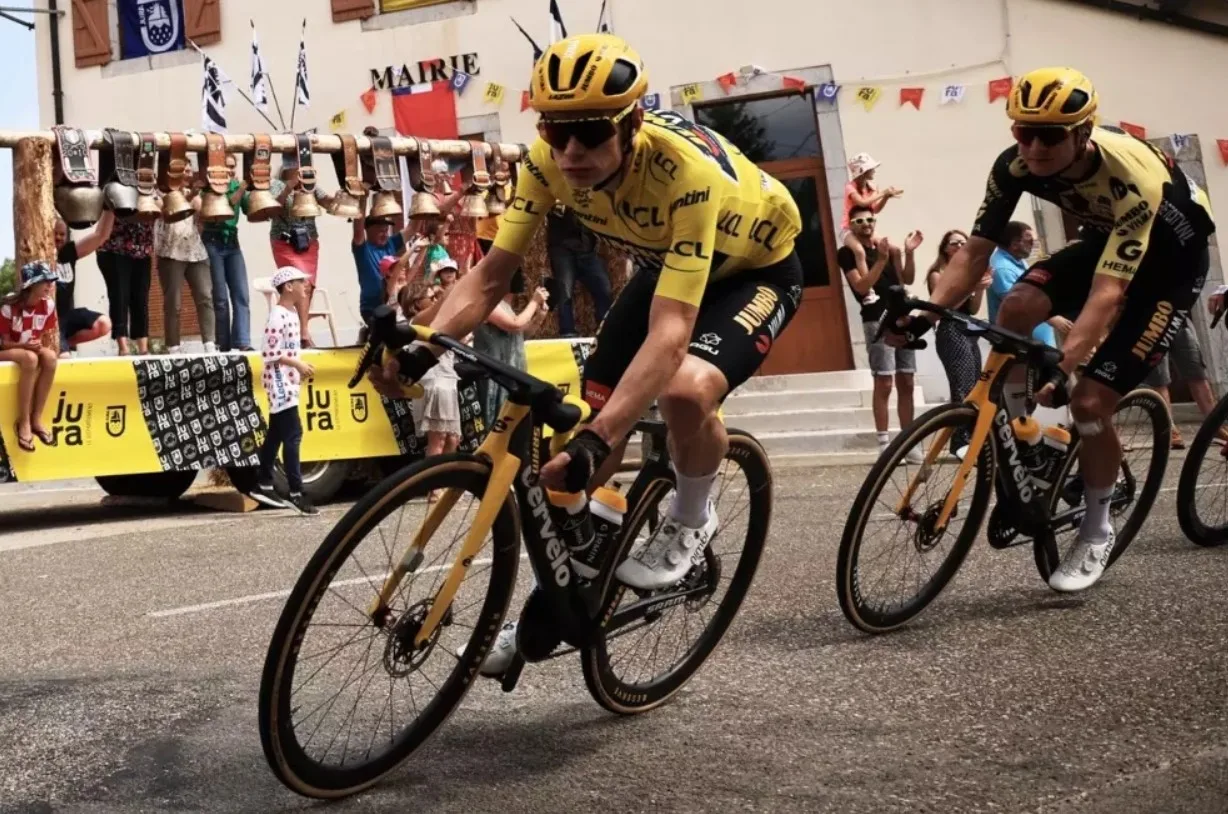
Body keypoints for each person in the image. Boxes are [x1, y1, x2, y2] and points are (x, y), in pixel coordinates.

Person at [370, 33, 804, 674]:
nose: (571, 151)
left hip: (755, 273)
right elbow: (490, 276)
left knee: (684, 390)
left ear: (631, 123)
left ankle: (691, 516)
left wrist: (603, 440)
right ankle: (564, 594)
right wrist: (419, 347)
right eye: (555, 130)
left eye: (592, 132)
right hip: (666, 266)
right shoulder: (545, 164)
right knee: (577, 438)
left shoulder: (687, 175)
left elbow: (671, 333)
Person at [892, 67, 1215, 593]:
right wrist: (923, 314)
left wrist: (1065, 366)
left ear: (1083, 133)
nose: (1034, 147)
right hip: (1106, 241)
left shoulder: (1132, 177)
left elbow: (1108, 293)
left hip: (1170, 269)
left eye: (1050, 135)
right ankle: (1026, 434)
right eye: (1024, 132)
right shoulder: (1014, 164)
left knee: (1088, 403)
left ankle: (1097, 529)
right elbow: (974, 252)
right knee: (1018, 305)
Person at [837, 204, 924, 460]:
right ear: (851, 226)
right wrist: (882, 260)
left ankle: (908, 442)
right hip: (876, 319)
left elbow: (906, 280)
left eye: (869, 219)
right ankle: (884, 443)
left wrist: (909, 253)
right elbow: (862, 287)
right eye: (859, 221)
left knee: (906, 380)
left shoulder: (887, 248)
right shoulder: (848, 253)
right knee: (884, 381)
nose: (866, 224)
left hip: (902, 317)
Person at [249, 267, 318, 516]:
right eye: (301, 282)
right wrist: (297, 364)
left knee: (277, 434)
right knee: (293, 433)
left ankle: (263, 482)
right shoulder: (277, 316)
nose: (305, 285)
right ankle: (296, 492)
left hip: (287, 380)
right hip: (279, 381)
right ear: (288, 286)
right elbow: (269, 352)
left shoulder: (291, 313)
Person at [926, 229, 986, 459]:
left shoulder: (969, 273)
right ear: (945, 248)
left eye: (963, 242)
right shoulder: (938, 274)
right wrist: (972, 287)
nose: (960, 246)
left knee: (975, 384)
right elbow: (946, 306)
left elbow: (972, 309)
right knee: (962, 385)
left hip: (969, 329)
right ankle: (960, 441)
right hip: (951, 329)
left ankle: (973, 437)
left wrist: (980, 290)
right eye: (954, 243)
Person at [472, 268, 550, 429]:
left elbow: (520, 336)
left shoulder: (508, 307)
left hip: (514, 373)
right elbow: (514, 325)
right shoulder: (487, 303)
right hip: (494, 375)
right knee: (494, 423)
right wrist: (533, 302)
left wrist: (538, 317)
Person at [1, 262, 62, 452]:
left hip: (26, 347)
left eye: (50, 281)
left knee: (50, 357)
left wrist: (32, 345)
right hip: (7, 349)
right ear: (31, 284)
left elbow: (40, 335)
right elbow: (4, 343)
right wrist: (25, 346)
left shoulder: (48, 305)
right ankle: (24, 421)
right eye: (45, 281)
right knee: (30, 359)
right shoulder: (9, 306)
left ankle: (37, 418)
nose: (50, 285)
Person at [986, 221, 1067, 348]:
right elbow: (1018, 305)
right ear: (1014, 244)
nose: (1033, 244)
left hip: (1034, 341)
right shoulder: (1002, 269)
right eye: (1030, 241)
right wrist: (1053, 318)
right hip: (1018, 343)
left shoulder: (1018, 260)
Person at [202, 154, 251, 352]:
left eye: (233, 166)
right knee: (220, 298)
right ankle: (223, 345)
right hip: (212, 241)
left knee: (241, 295)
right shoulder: (209, 187)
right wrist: (242, 188)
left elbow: (250, 210)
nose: (230, 170)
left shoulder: (237, 186)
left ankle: (243, 342)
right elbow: (227, 205)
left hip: (232, 242)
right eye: (227, 166)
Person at [546, 203, 612, 336]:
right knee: (564, 291)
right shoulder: (559, 193)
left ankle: (605, 330)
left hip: (587, 249)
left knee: (604, 288)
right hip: (562, 248)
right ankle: (567, 332)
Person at [53, 212, 113, 356]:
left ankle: (65, 343)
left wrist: (110, 209)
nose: (58, 238)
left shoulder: (68, 253)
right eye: (55, 234)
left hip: (66, 316)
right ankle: (61, 347)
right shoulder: (38, 255)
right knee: (64, 357)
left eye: (62, 234)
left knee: (104, 324)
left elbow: (101, 236)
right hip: (48, 320)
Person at [96, 217, 154, 356]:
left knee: (141, 298)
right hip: (115, 248)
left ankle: (143, 349)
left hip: (142, 249)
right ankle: (123, 348)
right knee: (120, 296)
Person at [840, 152, 902, 250]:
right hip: (849, 229)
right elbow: (862, 203)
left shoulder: (872, 187)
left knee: (894, 250)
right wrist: (883, 193)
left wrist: (886, 197)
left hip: (866, 227)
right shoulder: (850, 187)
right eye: (871, 168)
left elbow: (875, 209)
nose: (874, 171)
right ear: (863, 171)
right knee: (859, 251)